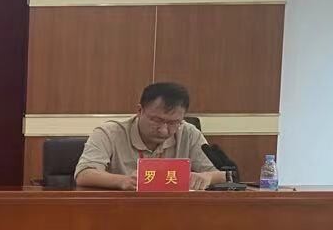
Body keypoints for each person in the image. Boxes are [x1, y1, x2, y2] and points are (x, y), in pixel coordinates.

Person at [74, 81, 226, 191]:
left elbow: (225, 175)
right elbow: (84, 174)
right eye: (156, 120)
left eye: (173, 123)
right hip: (122, 210)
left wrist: (208, 177)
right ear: (139, 111)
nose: (164, 131)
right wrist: (123, 181)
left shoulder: (189, 133)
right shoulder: (109, 133)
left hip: (175, 211)